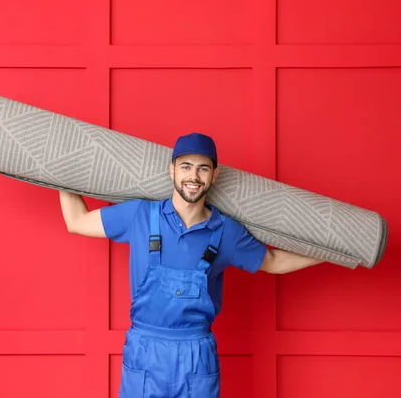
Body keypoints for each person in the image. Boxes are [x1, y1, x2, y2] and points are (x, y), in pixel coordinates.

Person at [58, 132, 322, 397]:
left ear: (214, 175)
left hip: (196, 355)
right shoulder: (139, 214)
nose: (193, 177)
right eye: (186, 166)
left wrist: (330, 253)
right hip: (145, 350)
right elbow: (77, 221)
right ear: (172, 169)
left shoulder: (227, 232)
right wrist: (55, 167)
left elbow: (273, 261)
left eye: (203, 168)